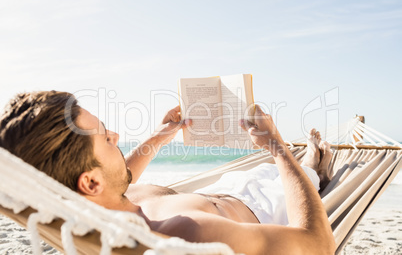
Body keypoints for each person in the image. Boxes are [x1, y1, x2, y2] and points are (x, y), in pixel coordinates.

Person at [0, 91, 335, 255]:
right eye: (105, 137)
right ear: (90, 182)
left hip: (223, 190)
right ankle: (313, 163)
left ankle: (305, 158)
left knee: (268, 169)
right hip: (262, 205)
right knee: (304, 172)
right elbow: (318, 246)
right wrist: (275, 145)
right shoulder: (188, 235)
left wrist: (160, 136)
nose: (115, 136)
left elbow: (120, 176)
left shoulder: (97, 208)